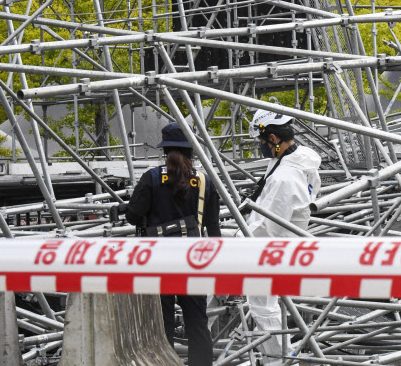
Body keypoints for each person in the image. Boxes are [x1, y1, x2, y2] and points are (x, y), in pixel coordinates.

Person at [119, 122, 221, 366]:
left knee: (160, 324)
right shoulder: (205, 182)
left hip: (156, 261)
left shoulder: (152, 178)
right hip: (193, 260)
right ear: (191, 151)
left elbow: (133, 216)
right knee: (197, 323)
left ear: (165, 151)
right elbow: (214, 229)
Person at [246, 109, 321, 365]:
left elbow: (267, 227)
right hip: (288, 241)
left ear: (274, 139)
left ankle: (278, 360)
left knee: (262, 306)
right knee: (269, 306)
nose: (261, 148)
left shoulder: (284, 179)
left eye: (262, 141)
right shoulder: (299, 159)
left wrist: (234, 241)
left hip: (275, 249)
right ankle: (269, 356)